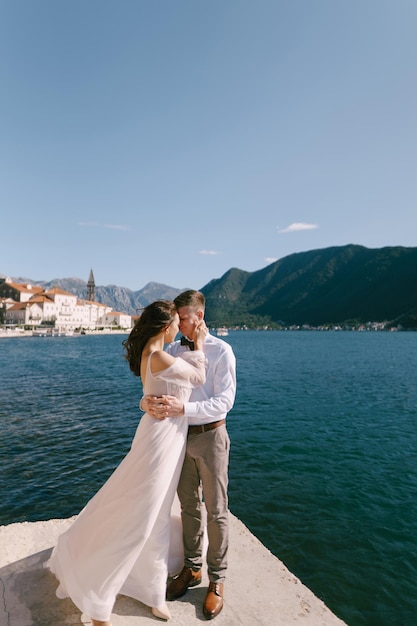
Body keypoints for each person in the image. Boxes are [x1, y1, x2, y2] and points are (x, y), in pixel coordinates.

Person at [48, 300, 208, 626]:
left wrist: (144, 401)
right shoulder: (161, 356)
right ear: (166, 327)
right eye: (176, 322)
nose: (179, 327)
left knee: (159, 518)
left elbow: (155, 391)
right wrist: (201, 344)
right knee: (142, 520)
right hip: (160, 444)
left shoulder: (151, 356)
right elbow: (199, 377)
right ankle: (99, 602)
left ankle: (152, 593)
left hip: (163, 439)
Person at [142, 290, 236, 620]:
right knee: (188, 506)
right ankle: (192, 569)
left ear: (199, 316)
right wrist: (147, 403)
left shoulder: (222, 351)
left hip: (211, 436)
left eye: (182, 317)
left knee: (217, 509)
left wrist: (185, 407)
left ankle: (217, 579)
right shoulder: (174, 349)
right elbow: (157, 383)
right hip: (179, 438)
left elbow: (225, 401)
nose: (177, 323)